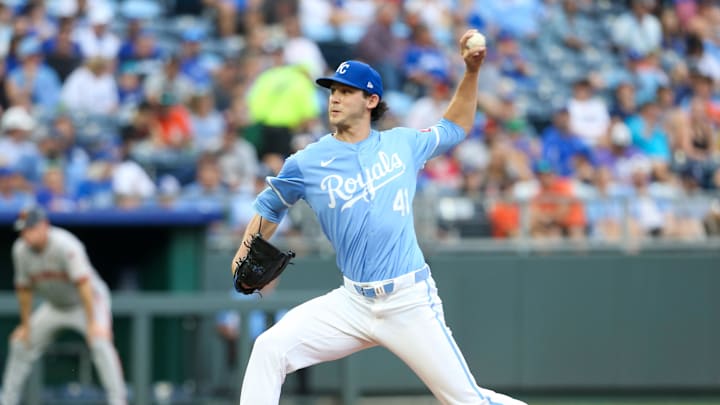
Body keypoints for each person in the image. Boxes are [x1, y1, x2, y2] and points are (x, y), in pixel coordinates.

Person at [231, 29, 527, 405]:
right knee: (270, 348)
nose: (335, 98)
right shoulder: (306, 162)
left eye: (346, 91)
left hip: (408, 301)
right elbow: (269, 206)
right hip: (352, 303)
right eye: (333, 91)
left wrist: (470, 73)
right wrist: (243, 251)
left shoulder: (402, 144)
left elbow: (455, 127)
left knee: (465, 400)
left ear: (371, 100)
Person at [1, 206, 127, 405]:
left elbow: (84, 286)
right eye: (23, 230)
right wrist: (25, 326)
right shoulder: (20, 250)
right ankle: (7, 401)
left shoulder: (66, 244)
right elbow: (24, 290)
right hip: (55, 306)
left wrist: (94, 323)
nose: (26, 234)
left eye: (30, 228)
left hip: (88, 302)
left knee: (100, 341)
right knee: (19, 343)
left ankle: (118, 400)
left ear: (44, 226)